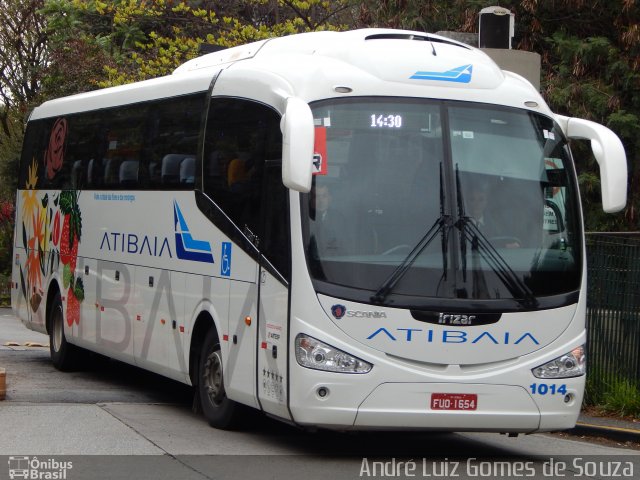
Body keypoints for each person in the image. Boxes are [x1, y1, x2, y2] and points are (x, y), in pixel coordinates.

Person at [308, 183, 354, 257]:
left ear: (330, 198)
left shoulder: (339, 219)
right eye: (316, 196)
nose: (321, 201)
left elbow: (346, 245)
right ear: (310, 199)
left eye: (324, 196)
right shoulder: (304, 217)